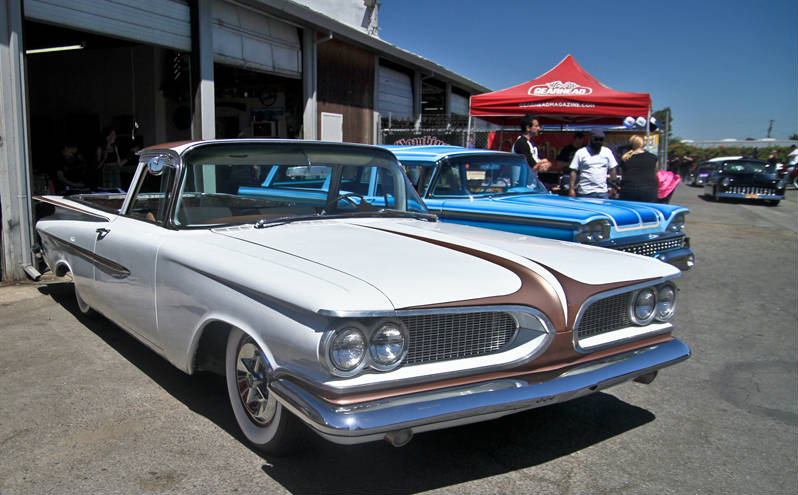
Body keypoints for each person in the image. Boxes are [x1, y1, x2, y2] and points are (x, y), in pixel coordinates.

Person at [569, 129, 617, 198]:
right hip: (585, 192)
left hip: (602, 192)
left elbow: (612, 169)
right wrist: (571, 189)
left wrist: (614, 187)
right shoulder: (581, 152)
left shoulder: (607, 152)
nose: (598, 142)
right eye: (596, 139)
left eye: (601, 139)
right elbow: (573, 171)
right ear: (591, 139)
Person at [618, 135, 658, 202]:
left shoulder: (625, 158)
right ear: (643, 144)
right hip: (649, 188)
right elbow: (655, 172)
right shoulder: (653, 157)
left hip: (628, 188)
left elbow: (623, 173)